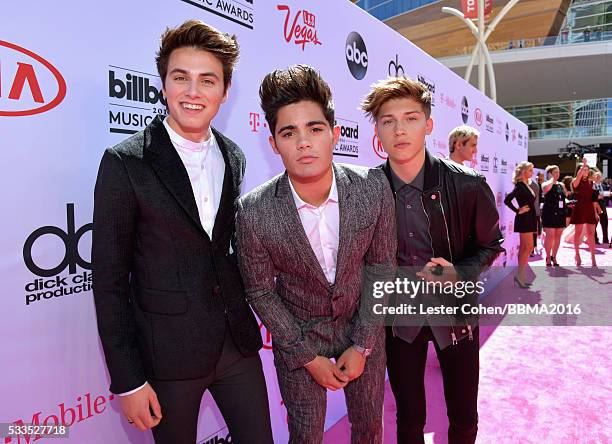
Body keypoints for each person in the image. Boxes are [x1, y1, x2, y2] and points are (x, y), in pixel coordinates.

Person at [91, 20, 273, 444]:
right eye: (181, 78)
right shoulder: (126, 162)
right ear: (164, 85)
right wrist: (129, 381)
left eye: (207, 80)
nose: (193, 92)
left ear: (224, 92)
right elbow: (109, 282)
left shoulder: (234, 155)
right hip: (166, 357)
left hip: (237, 345)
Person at [236, 65, 396, 444]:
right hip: (298, 338)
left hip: (364, 327)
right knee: (305, 435)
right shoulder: (254, 211)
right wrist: (307, 356)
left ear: (334, 133)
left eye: (315, 129)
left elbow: (382, 267)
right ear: (273, 143)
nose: (303, 143)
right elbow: (260, 291)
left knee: (370, 428)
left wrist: (363, 345)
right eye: (289, 133)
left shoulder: (373, 188)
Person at [361, 76, 503, 444]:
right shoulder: (366, 191)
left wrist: (460, 271)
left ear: (428, 124)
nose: (399, 129)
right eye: (388, 120)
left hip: (455, 314)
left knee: (463, 417)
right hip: (398, 318)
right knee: (408, 419)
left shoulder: (468, 184)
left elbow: (492, 244)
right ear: (377, 129)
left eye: (410, 118)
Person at [504, 161, 537, 287]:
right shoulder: (519, 185)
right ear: (523, 172)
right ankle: (520, 275)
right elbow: (507, 200)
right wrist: (518, 210)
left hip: (530, 218)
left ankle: (520, 276)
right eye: (530, 170)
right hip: (525, 219)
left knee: (525, 247)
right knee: (528, 247)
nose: (532, 173)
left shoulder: (525, 184)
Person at [570, 159, 599, 266]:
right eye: (583, 170)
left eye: (587, 170)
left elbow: (593, 199)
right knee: (578, 233)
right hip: (580, 208)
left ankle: (593, 258)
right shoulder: (575, 181)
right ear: (579, 171)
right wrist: (583, 165)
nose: (585, 171)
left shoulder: (591, 182)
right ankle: (577, 254)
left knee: (591, 234)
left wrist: (595, 212)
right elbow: (578, 178)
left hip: (589, 209)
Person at [541, 165, 567, 266]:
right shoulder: (545, 183)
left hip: (560, 214)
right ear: (549, 173)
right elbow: (546, 189)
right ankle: (547, 257)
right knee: (550, 235)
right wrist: (552, 179)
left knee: (558, 236)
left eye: (558, 172)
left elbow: (564, 197)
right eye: (555, 172)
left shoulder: (561, 185)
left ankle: (554, 257)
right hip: (549, 213)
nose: (558, 174)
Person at [593, 171, 609, 245]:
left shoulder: (604, 185)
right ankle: (595, 239)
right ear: (594, 177)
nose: (598, 178)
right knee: (595, 223)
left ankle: (605, 239)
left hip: (602, 204)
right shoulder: (592, 186)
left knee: (605, 221)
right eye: (597, 176)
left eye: (599, 176)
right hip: (594, 204)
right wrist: (597, 197)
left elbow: (606, 193)